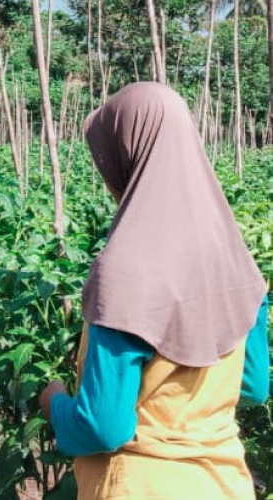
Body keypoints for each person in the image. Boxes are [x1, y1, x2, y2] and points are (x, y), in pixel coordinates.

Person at [39, 82, 269, 500]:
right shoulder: (237, 261)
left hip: (140, 484)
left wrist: (54, 403)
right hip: (224, 484)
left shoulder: (125, 270)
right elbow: (253, 386)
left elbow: (103, 426)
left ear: (128, 156)